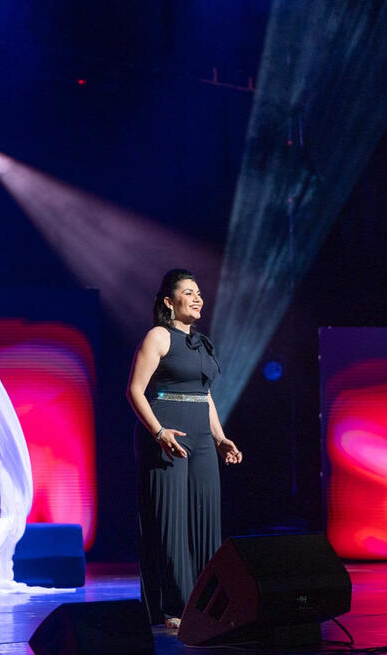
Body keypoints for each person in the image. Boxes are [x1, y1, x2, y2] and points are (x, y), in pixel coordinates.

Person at [127, 268, 242, 629]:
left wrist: (220, 437)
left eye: (199, 293)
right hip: (166, 435)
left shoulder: (202, 343)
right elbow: (134, 390)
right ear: (168, 301)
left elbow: (204, 395)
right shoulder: (159, 337)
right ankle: (174, 607)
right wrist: (159, 432)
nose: (198, 298)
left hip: (202, 440)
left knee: (206, 521)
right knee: (170, 525)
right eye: (188, 292)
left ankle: (207, 603)